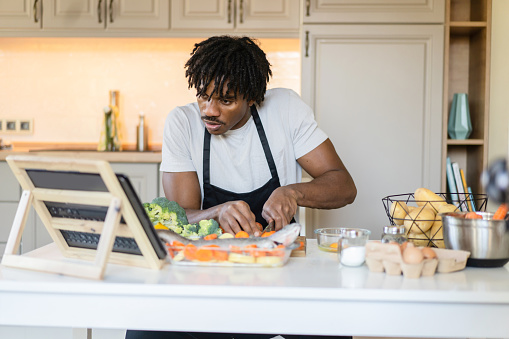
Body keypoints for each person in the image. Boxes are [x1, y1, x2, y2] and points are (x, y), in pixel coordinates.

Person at [126, 35, 356, 339]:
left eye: (226, 100)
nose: (209, 110)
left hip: (278, 270)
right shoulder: (182, 123)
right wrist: (216, 212)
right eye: (203, 96)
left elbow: (343, 184)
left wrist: (292, 192)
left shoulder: (284, 109)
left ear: (251, 97)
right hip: (206, 271)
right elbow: (181, 216)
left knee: (332, 328)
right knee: (145, 331)